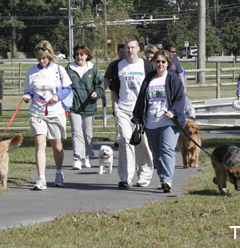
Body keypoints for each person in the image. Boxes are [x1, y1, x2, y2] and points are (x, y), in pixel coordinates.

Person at [132, 50, 185, 193]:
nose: (160, 64)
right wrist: (137, 119)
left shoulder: (173, 79)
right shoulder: (149, 79)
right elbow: (141, 100)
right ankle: (163, 178)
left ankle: (168, 179)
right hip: (151, 122)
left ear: (168, 63)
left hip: (169, 121)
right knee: (156, 153)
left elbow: (180, 99)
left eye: (163, 61)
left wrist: (173, 111)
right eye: (158, 62)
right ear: (153, 63)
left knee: (166, 149)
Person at [23, 40, 72, 190]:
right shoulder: (31, 72)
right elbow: (28, 90)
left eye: (44, 58)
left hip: (55, 112)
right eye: (39, 58)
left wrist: (58, 96)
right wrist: (27, 97)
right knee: (40, 144)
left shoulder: (58, 70)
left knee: (57, 146)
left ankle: (58, 172)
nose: (42, 61)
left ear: (50, 56)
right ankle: (41, 178)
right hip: (37, 112)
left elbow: (68, 88)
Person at [106, 37, 154, 188]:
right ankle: (126, 177)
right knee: (125, 141)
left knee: (142, 143)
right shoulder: (117, 67)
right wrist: (115, 107)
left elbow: (151, 88)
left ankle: (144, 176)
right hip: (123, 110)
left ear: (138, 49)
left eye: (133, 47)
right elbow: (113, 89)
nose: (130, 50)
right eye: (127, 47)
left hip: (142, 111)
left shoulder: (147, 66)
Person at [66, 44, 104, 170]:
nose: (79, 57)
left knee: (87, 135)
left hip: (89, 107)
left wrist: (96, 93)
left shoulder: (92, 69)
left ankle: (87, 156)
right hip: (74, 107)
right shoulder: (69, 69)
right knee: (77, 133)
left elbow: (100, 85)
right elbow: (63, 86)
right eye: (77, 54)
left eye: (82, 54)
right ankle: (77, 158)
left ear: (87, 55)